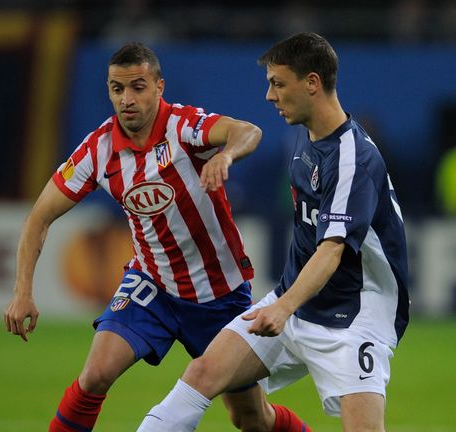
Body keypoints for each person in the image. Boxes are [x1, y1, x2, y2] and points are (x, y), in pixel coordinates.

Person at [2, 43, 310, 432]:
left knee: (251, 418)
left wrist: (225, 155)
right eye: (117, 89)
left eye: (138, 87)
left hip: (219, 296)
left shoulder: (183, 126)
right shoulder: (98, 150)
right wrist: (22, 292)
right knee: (95, 375)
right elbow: (38, 218)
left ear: (159, 87)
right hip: (153, 286)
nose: (126, 99)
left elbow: (248, 131)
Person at [138, 32, 411, 432]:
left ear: (312, 83)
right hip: (296, 298)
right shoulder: (306, 137)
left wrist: (282, 308)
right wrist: (285, 303)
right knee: (206, 378)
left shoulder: (353, 158)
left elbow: (331, 250)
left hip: (355, 316)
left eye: (278, 84)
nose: (269, 96)